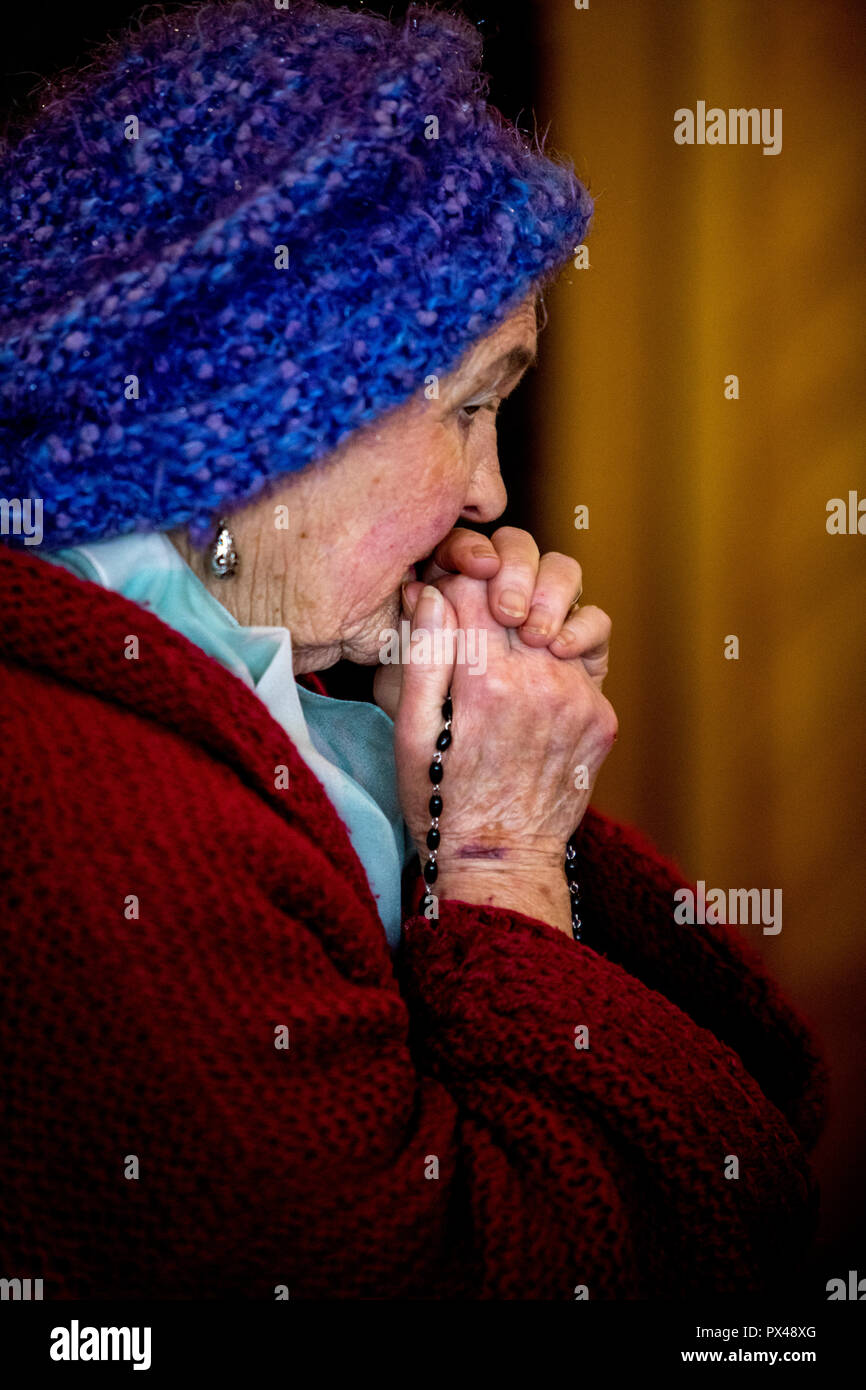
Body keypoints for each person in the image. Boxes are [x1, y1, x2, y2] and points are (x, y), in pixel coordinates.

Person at [0, 0, 826, 1299]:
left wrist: (465, 753)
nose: (491, 492)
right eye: (471, 405)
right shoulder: (88, 802)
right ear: (259, 424)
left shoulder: (204, 691)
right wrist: (496, 850)